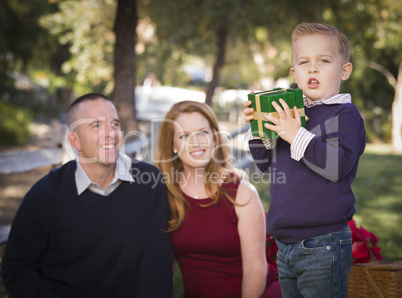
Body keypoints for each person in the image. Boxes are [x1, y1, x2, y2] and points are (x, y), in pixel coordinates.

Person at [2, 93, 174, 297]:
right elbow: (17, 269)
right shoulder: (45, 195)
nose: (110, 133)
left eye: (115, 124)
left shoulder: (149, 182)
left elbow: (158, 262)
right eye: (97, 126)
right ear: (75, 140)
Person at [243, 22, 366, 297]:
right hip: (285, 245)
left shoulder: (345, 115)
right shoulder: (291, 114)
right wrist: (261, 128)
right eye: (303, 62)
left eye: (324, 60)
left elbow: (335, 166)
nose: (313, 68)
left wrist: (295, 133)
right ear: (294, 73)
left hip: (323, 243)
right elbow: (263, 164)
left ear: (344, 70)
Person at [155, 100, 281, 297]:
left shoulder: (242, 193)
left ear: (214, 137)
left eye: (203, 132)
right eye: (185, 135)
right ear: (172, 144)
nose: (196, 142)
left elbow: (255, 269)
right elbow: (163, 269)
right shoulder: (165, 194)